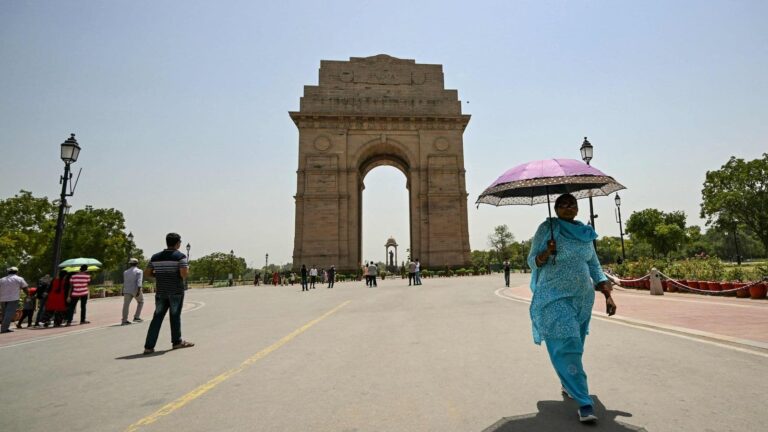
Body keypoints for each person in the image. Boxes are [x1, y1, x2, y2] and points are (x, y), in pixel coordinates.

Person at [527, 193, 617, 423]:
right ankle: (585, 402)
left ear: (577, 209)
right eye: (563, 205)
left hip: (582, 298)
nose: (568, 208)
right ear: (555, 208)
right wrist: (546, 252)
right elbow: (531, 261)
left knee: (575, 345)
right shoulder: (547, 230)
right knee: (568, 343)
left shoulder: (585, 233)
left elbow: (594, 266)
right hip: (554, 297)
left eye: (572, 204)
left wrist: (607, 294)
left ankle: (568, 382)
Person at [143, 233, 194, 355]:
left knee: (157, 317)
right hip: (175, 291)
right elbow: (183, 274)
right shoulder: (180, 256)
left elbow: (147, 273)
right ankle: (177, 342)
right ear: (177, 243)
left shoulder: (155, 257)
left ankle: (149, 346)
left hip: (161, 291)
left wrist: (159, 275)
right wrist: (186, 269)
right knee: (175, 316)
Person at [1, 266, 29, 333]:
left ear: (8, 272)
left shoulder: (2, 279)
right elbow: (25, 288)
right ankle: (4, 329)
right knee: (9, 314)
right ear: (17, 272)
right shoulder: (19, 279)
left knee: (5, 314)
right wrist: (28, 295)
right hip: (13, 298)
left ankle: (5, 327)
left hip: (2, 299)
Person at [121, 258, 144, 325]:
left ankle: (124, 320)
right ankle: (136, 317)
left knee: (126, 305)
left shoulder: (125, 272)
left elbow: (125, 282)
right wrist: (139, 290)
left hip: (127, 290)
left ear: (130, 264)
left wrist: (123, 290)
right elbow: (139, 281)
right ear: (137, 263)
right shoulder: (139, 271)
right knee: (141, 302)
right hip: (135, 289)